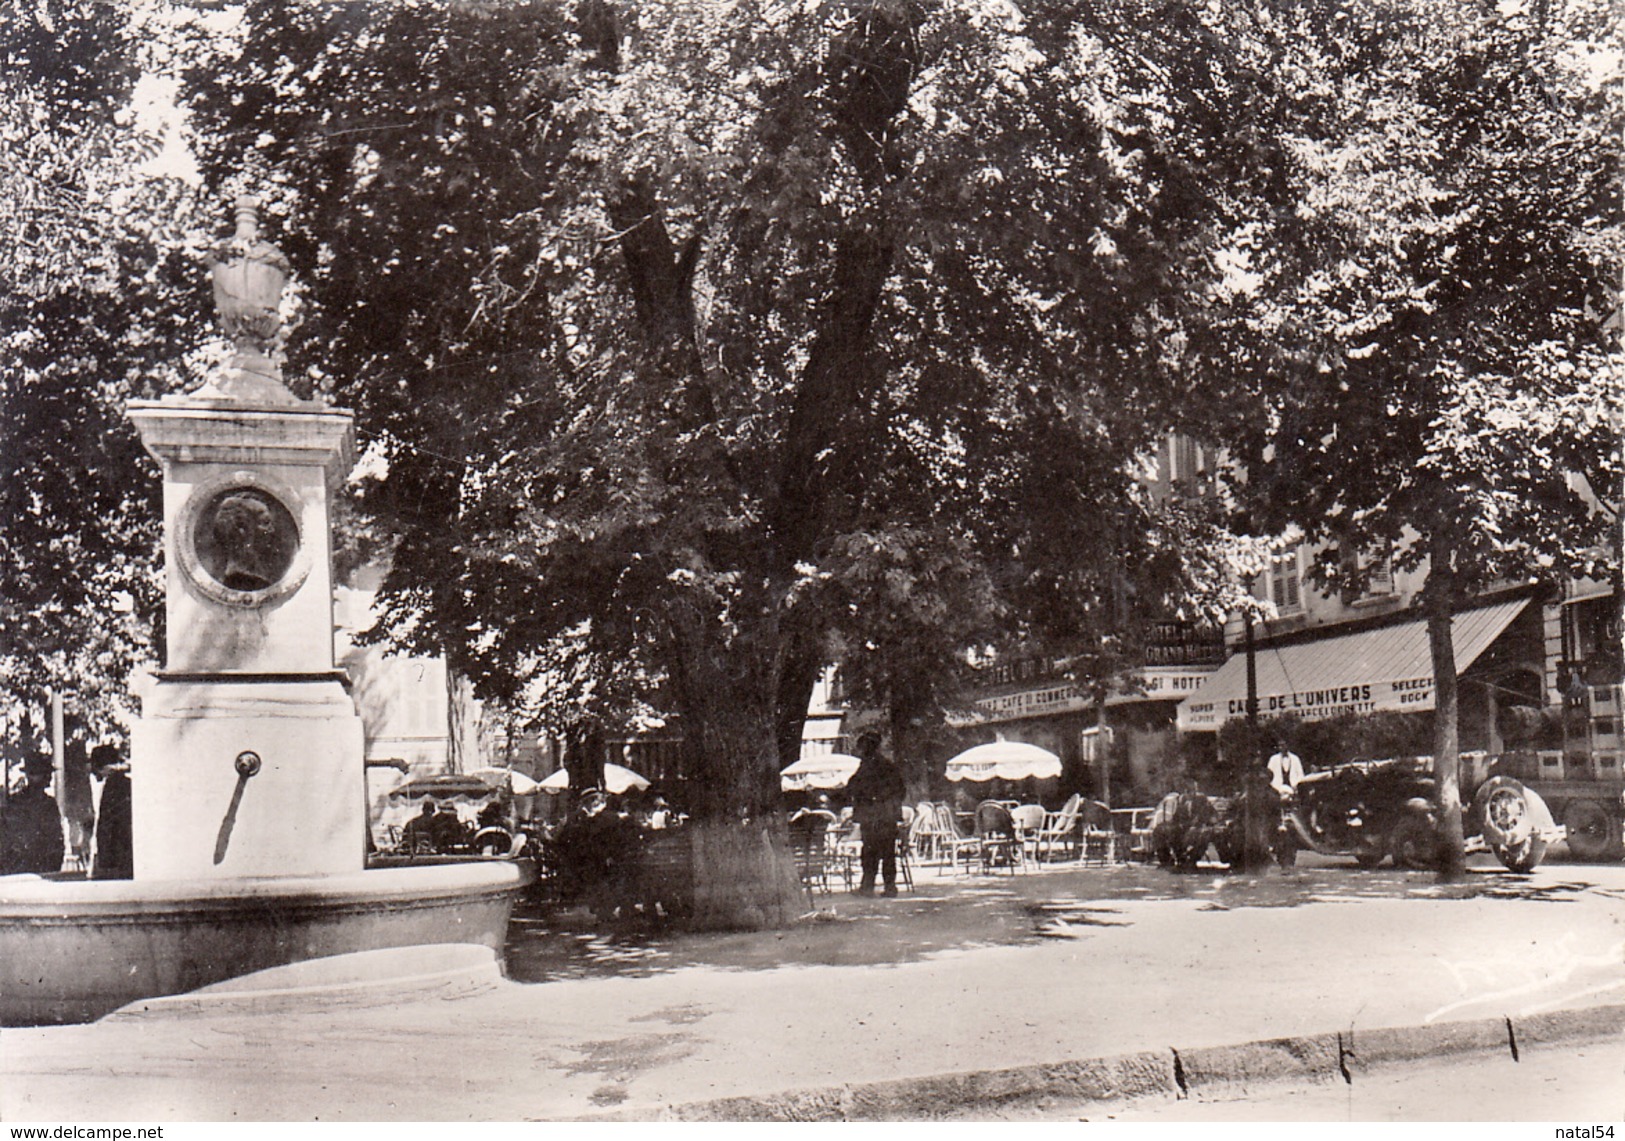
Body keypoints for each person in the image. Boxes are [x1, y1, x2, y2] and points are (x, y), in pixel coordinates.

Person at [844, 732, 906, 896]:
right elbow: (900, 790)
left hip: (872, 817)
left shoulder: (867, 766)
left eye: (861, 747)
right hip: (887, 817)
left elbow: (854, 787)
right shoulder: (889, 766)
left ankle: (868, 886)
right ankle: (890, 887)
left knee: (870, 853)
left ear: (867, 747)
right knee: (888, 853)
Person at [1, 751, 64, 875]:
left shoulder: (49, 804)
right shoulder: (14, 803)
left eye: (48, 774)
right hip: (18, 868)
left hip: (45, 867)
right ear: (29, 776)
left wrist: (54, 864)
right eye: (43, 773)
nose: (48, 777)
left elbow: (56, 839)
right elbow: (5, 838)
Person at [88, 743, 132, 879]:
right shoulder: (124, 783)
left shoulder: (113, 785)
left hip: (116, 857)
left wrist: (105, 861)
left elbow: (107, 825)